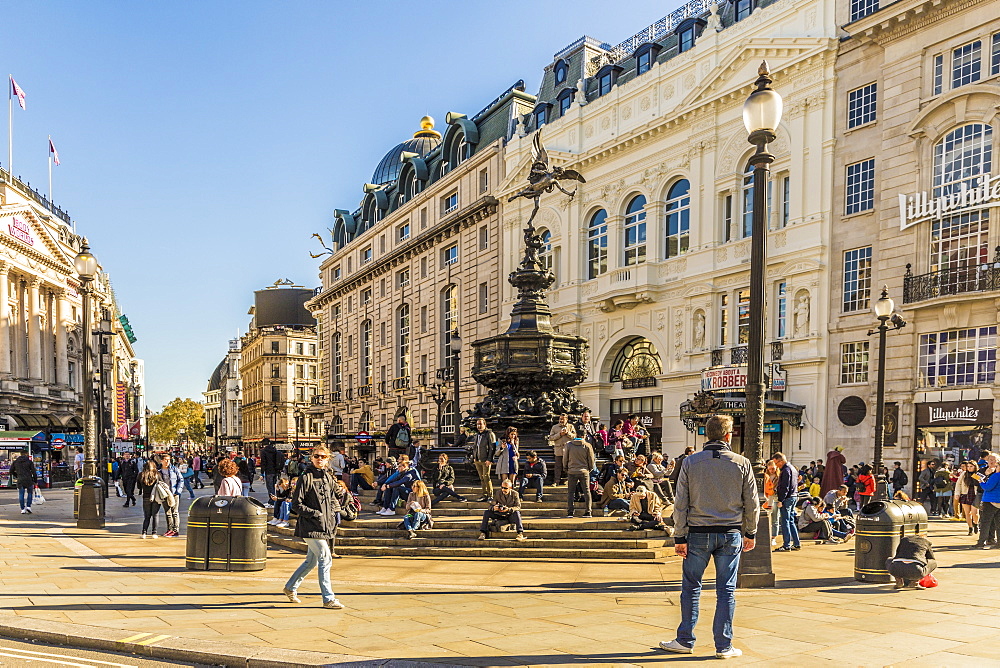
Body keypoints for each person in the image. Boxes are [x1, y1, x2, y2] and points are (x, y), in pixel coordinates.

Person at [660, 415, 758, 660]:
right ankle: (724, 646)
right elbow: (752, 503)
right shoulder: (742, 462)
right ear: (728, 435)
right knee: (726, 590)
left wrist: (679, 536)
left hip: (698, 533)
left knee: (691, 587)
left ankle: (685, 640)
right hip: (730, 533)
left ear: (707, 435)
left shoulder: (691, 463)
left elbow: (680, 503)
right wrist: (751, 532)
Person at [282, 446, 345, 609]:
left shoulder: (328, 476)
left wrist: (334, 512)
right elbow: (296, 504)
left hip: (325, 525)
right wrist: (315, 514)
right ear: (311, 458)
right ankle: (328, 598)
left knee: (311, 561)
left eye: (323, 456)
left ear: (328, 458)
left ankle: (290, 587)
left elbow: (333, 497)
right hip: (310, 526)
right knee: (326, 558)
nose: (319, 458)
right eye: (316, 456)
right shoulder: (306, 477)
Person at [772, 452, 801, 552]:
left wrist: (780, 500)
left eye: (777, 463)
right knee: (791, 520)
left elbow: (785, 487)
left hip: (787, 498)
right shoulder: (792, 468)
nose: (776, 465)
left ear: (781, 461)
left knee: (785, 521)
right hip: (793, 496)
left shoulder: (785, 470)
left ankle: (786, 544)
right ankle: (796, 543)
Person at [564, 435, 596, 518]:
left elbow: (565, 458)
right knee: (587, 491)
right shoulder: (587, 445)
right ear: (584, 436)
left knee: (571, 492)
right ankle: (588, 511)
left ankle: (570, 511)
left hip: (572, 471)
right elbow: (591, 459)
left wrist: (566, 468)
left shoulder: (569, 445)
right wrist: (589, 469)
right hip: (584, 471)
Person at [467, 418, 498, 502]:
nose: (479, 426)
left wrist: (490, 459)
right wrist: (474, 457)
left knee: (486, 477)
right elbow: (475, 446)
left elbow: (492, 447)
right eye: (478, 424)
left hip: (485, 460)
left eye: (480, 424)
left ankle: (490, 495)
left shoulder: (489, 434)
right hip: (478, 460)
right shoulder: (477, 435)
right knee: (481, 478)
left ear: (485, 424)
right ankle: (484, 495)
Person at [975, 453, 999, 549]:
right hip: (982, 495)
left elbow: (988, 486)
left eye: (994, 460)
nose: (991, 461)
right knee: (986, 518)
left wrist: (984, 480)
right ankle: (988, 538)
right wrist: (985, 475)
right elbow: (974, 479)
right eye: (990, 460)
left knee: (989, 520)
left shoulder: (996, 473)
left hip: (990, 497)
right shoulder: (982, 470)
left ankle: (989, 539)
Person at [546, 414, 576, 485]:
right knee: (558, 467)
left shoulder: (571, 426)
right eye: (560, 419)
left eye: (563, 419)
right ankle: (556, 481)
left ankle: (568, 480)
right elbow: (551, 437)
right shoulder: (555, 427)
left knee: (568, 466)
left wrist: (567, 433)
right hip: (558, 450)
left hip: (568, 450)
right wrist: (559, 434)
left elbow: (574, 436)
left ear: (566, 419)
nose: (561, 420)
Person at [159, 454, 184, 538]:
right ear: (161, 461)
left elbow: (181, 480)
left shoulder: (174, 469)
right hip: (164, 493)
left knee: (175, 512)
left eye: (168, 460)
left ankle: (175, 530)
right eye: (165, 460)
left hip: (174, 493)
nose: (167, 461)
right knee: (168, 512)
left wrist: (178, 491)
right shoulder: (158, 470)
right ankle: (169, 529)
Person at [137, 460, 163, 539]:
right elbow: (161, 484)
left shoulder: (141, 475)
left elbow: (138, 487)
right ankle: (154, 533)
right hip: (156, 496)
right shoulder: (157, 475)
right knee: (155, 515)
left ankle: (144, 532)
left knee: (147, 516)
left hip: (146, 497)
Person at [955, 461, 981, 536]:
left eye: (971, 466)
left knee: (974, 512)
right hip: (965, 494)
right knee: (967, 513)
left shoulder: (977, 474)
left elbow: (981, 483)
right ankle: (970, 528)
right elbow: (958, 484)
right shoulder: (964, 474)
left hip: (975, 495)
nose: (969, 468)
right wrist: (957, 494)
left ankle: (976, 524)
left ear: (975, 467)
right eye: (968, 466)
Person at [11, 450, 36, 514]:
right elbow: (34, 472)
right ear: (26, 454)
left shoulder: (16, 462)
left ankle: (22, 509)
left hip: (20, 479)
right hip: (29, 479)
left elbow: (11, 471)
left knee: (21, 494)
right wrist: (35, 480)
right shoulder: (29, 462)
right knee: (30, 493)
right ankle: (28, 506)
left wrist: (16, 475)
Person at [260, 438, 282, 504]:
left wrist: (262, 473)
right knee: (273, 485)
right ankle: (273, 498)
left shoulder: (263, 451)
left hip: (268, 471)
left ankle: (272, 500)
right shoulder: (275, 450)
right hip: (275, 470)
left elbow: (263, 462)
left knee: (269, 486)